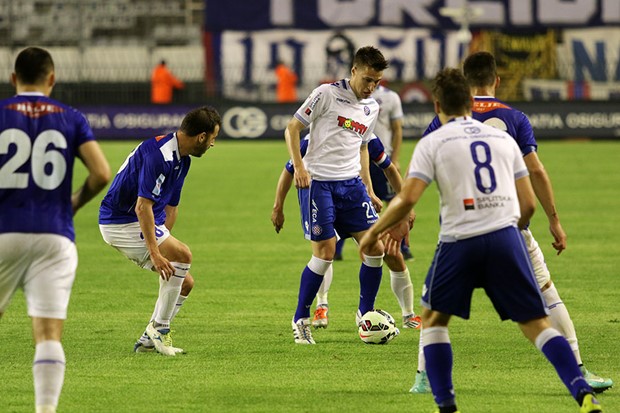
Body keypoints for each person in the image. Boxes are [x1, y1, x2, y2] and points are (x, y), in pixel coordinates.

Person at [359, 68, 603, 413]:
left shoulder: (433, 141)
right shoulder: (504, 141)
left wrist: (372, 234)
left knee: (433, 321)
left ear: (437, 104)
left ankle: (446, 404)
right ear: (471, 102)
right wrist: (504, 227)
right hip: (506, 237)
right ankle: (582, 392)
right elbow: (529, 203)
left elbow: (408, 197)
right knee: (536, 324)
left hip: (459, 240)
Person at [411, 51, 613, 394]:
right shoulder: (514, 118)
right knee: (546, 294)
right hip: (509, 223)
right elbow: (535, 171)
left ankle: (424, 377)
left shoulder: (449, 114)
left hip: (460, 228)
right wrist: (554, 221)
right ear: (497, 80)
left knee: (434, 309)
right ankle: (578, 369)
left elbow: (423, 169)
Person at [0, 47, 111, 413]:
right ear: (52, 79)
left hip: (4, 231)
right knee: (48, 335)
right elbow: (101, 174)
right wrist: (74, 202)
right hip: (54, 234)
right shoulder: (71, 117)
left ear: (13, 79)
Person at [285, 45, 389, 344]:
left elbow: (363, 147)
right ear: (354, 71)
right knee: (326, 252)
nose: (371, 87)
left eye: (377, 82)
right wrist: (300, 168)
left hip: (351, 184)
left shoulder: (372, 108)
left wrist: (368, 188)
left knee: (374, 247)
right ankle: (301, 318)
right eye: (368, 79)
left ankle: (365, 315)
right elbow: (292, 128)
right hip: (319, 183)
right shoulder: (326, 94)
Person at [98, 106, 221, 356]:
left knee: (184, 282)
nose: (212, 145)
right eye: (213, 138)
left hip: (138, 220)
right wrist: (155, 252)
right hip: (119, 221)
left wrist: (164, 241)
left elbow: (170, 208)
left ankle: (146, 340)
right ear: (201, 137)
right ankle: (160, 330)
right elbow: (142, 206)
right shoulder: (160, 156)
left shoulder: (182, 160)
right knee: (184, 256)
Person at [271, 133, 421, 329]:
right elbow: (289, 169)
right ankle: (320, 305)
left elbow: (388, 168)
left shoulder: (365, 133)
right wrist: (278, 207)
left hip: (353, 196)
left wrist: (402, 204)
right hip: (321, 194)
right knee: (325, 252)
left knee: (385, 250)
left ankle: (403, 315)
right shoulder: (313, 139)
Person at [335, 81, 414, 260]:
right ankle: (336, 249)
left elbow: (397, 130)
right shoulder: (345, 96)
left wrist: (395, 158)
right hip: (355, 160)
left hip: (381, 156)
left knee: (393, 201)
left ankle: (401, 246)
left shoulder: (391, 97)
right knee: (348, 201)